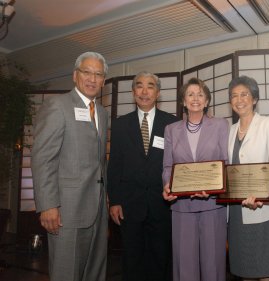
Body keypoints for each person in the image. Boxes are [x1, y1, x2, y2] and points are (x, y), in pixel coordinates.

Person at [32, 52, 109, 281]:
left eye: (98, 74)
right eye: (87, 72)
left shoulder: (103, 114)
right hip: (66, 211)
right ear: (75, 75)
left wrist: (106, 198)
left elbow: (99, 162)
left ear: (104, 80)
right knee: (66, 273)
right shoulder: (58, 105)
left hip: (97, 211)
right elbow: (43, 158)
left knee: (94, 274)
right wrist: (48, 205)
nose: (92, 79)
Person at [107, 71, 178, 281]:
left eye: (150, 86)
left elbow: (178, 163)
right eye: (139, 86)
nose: (144, 91)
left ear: (158, 93)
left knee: (161, 259)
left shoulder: (172, 123)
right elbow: (114, 165)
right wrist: (115, 200)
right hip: (129, 205)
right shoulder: (120, 124)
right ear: (133, 92)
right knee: (132, 260)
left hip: (163, 204)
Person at [162, 77, 229, 281]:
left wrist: (215, 187)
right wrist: (167, 185)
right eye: (190, 94)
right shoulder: (171, 129)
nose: (195, 98)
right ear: (183, 101)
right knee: (185, 265)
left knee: (214, 264)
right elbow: (167, 165)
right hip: (182, 206)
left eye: (200, 94)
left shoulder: (220, 125)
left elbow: (225, 161)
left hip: (212, 204)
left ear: (207, 101)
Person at [227, 76, 269, 281]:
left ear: (254, 99)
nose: (239, 99)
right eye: (234, 96)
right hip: (235, 209)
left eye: (244, 94)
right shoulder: (230, 130)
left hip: (260, 207)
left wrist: (261, 196)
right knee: (245, 268)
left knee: (265, 268)